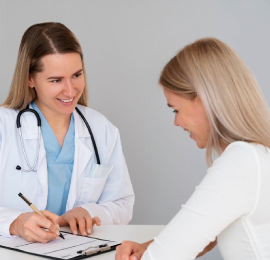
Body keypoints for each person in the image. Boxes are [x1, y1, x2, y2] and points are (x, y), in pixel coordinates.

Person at [0, 22, 134, 243]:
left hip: (76, 249)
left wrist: (88, 212)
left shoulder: (101, 129)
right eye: (56, 80)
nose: (70, 90)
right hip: (10, 252)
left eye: (76, 75)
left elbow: (121, 203)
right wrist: (14, 222)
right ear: (30, 79)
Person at [116, 38, 270, 260]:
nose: (176, 122)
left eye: (175, 110)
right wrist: (150, 247)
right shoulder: (260, 154)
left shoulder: (242, 161)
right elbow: (209, 232)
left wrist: (152, 252)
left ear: (205, 99)